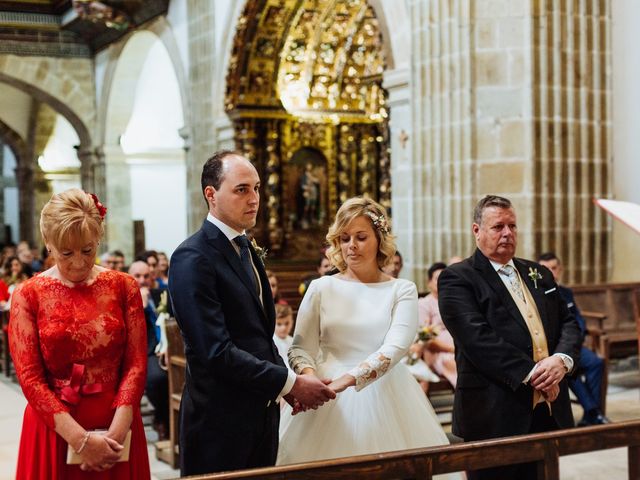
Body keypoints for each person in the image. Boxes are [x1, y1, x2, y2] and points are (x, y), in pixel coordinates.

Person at [169, 150, 335, 476]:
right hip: (219, 421)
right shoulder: (192, 257)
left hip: (261, 414)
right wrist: (289, 383)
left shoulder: (247, 248)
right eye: (242, 189)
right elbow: (215, 351)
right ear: (211, 194)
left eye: (257, 188)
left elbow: (259, 336)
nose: (254, 198)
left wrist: (283, 387)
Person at [277, 197, 459, 480]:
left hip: (386, 392)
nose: (352, 245)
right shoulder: (321, 287)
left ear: (379, 239)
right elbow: (301, 346)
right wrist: (311, 378)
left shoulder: (402, 289)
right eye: (345, 237)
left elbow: (396, 347)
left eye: (361, 237)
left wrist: (346, 381)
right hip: (324, 396)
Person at [8, 188, 150, 479]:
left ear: (98, 238)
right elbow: (30, 379)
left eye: (87, 250)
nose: (78, 262)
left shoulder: (124, 286)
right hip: (55, 427)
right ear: (48, 243)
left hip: (117, 423)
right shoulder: (28, 294)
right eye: (66, 253)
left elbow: (136, 363)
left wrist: (118, 431)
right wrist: (80, 441)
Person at [438, 195, 582, 480]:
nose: (507, 233)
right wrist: (537, 376)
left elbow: (569, 323)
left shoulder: (538, 273)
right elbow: (478, 339)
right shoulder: (458, 278)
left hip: (548, 408)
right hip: (493, 409)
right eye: (498, 227)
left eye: (513, 226)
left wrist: (561, 361)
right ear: (476, 230)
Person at [538, 252, 610, 426]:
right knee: (570, 370)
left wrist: (577, 337)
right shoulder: (536, 293)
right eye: (546, 268)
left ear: (560, 269)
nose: (551, 272)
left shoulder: (566, 292)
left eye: (554, 268)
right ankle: (594, 412)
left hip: (574, 344)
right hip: (552, 349)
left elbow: (578, 319)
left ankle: (590, 414)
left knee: (596, 363)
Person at [129, 260, 169, 439]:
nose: (142, 280)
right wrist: (142, 308)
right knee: (157, 378)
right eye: (137, 276)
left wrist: (168, 346)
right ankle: (162, 419)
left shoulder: (161, 294)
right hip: (145, 350)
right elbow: (136, 334)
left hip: (166, 348)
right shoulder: (126, 298)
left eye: (146, 276)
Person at [417, 262, 457, 387]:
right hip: (438, 353)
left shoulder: (454, 302)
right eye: (437, 279)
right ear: (429, 282)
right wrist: (453, 350)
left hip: (458, 349)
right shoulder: (424, 304)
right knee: (460, 366)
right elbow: (425, 338)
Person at [273, 303, 294, 368]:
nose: (283, 328)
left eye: (287, 323)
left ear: (292, 322)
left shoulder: (293, 341)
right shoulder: (271, 342)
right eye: (279, 324)